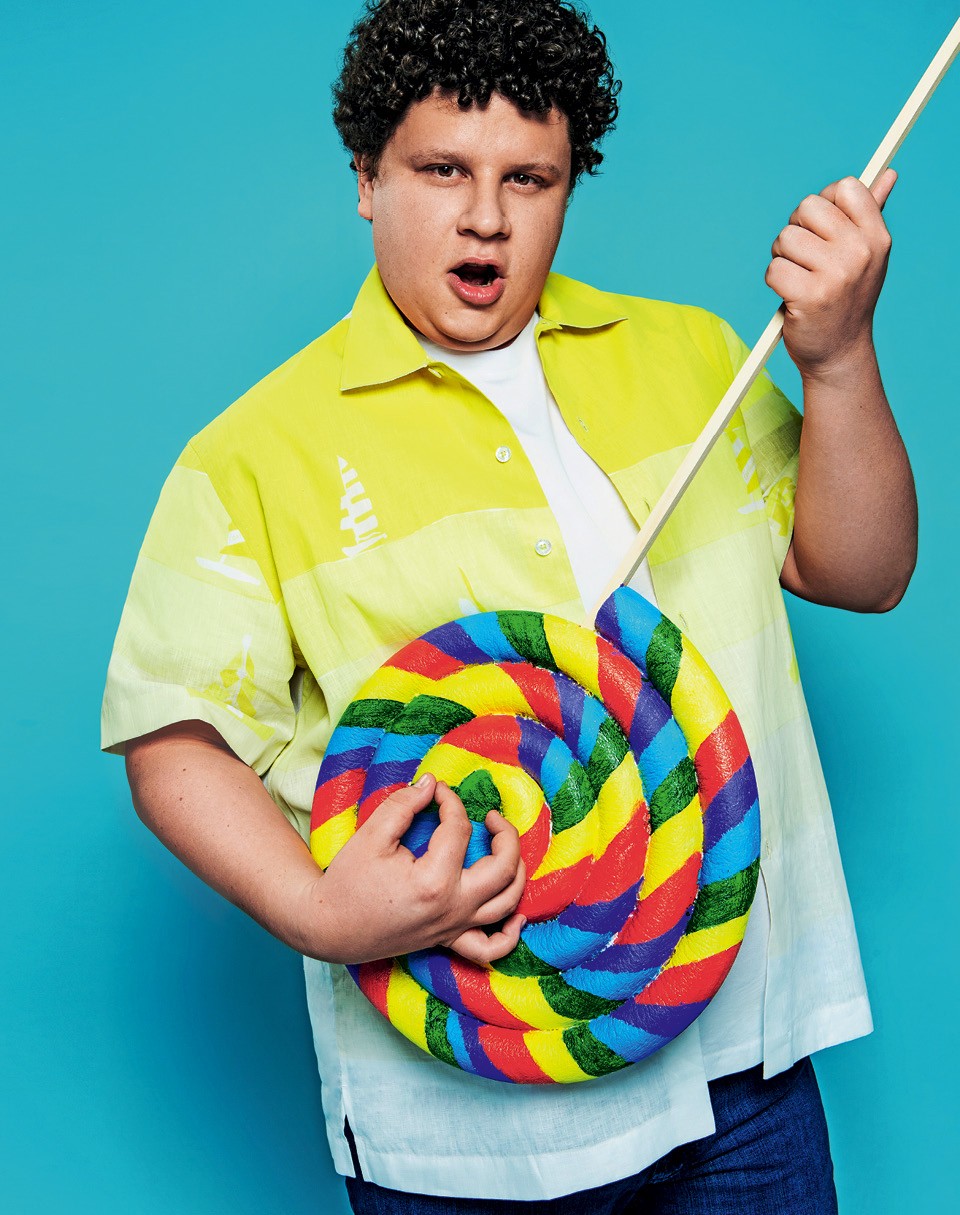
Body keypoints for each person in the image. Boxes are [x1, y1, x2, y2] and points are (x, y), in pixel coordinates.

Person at [101, 0, 917, 1210]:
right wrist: (320, 910)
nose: (485, 215)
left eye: (528, 178)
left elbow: (864, 573)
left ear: (569, 185)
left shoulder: (694, 358)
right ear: (367, 178)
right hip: (468, 1114)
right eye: (442, 169)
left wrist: (839, 359)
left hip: (742, 1062)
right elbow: (172, 740)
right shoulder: (254, 456)